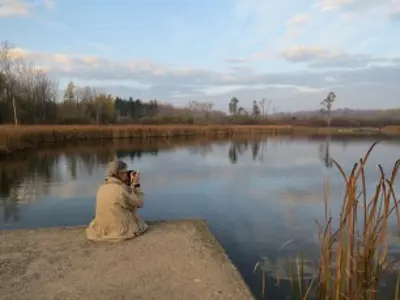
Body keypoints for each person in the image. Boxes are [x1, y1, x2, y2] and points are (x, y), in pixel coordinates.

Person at [85, 160, 148, 242]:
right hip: (120, 231)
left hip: (103, 230)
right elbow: (139, 203)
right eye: (125, 172)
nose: (127, 175)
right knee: (134, 213)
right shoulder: (121, 190)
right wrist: (136, 184)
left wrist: (129, 186)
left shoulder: (101, 188)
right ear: (120, 174)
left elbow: (124, 196)